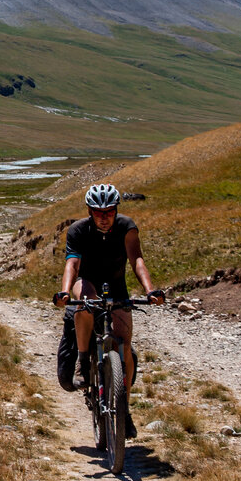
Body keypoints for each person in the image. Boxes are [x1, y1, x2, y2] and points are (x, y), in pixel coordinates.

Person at [53, 183, 165, 436]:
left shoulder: (127, 227)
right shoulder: (78, 230)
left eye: (109, 211)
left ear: (116, 210)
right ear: (90, 212)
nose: (104, 217)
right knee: (85, 303)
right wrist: (64, 291)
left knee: (123, 345)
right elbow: (72, 263)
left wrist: (150, 291)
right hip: (87, 281)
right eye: (98, 212)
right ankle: (83, 361)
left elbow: (137, 259)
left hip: (116, 285)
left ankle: (123, 409)